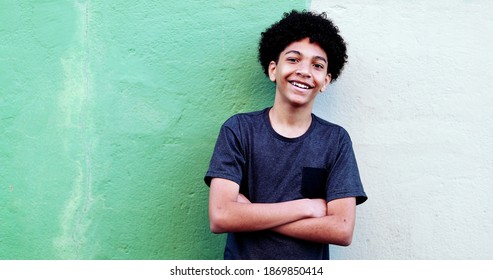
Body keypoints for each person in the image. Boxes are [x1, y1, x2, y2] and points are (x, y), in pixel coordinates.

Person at [204, 10, 367, 260]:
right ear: (273, 69)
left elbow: (342, 229)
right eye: (293, 59)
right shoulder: (238, 130)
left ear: (325, 81)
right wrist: (306, 207)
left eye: (317, 65)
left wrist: (249, 215)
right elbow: (221, 216)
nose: (304, 71)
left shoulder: (335, 140)